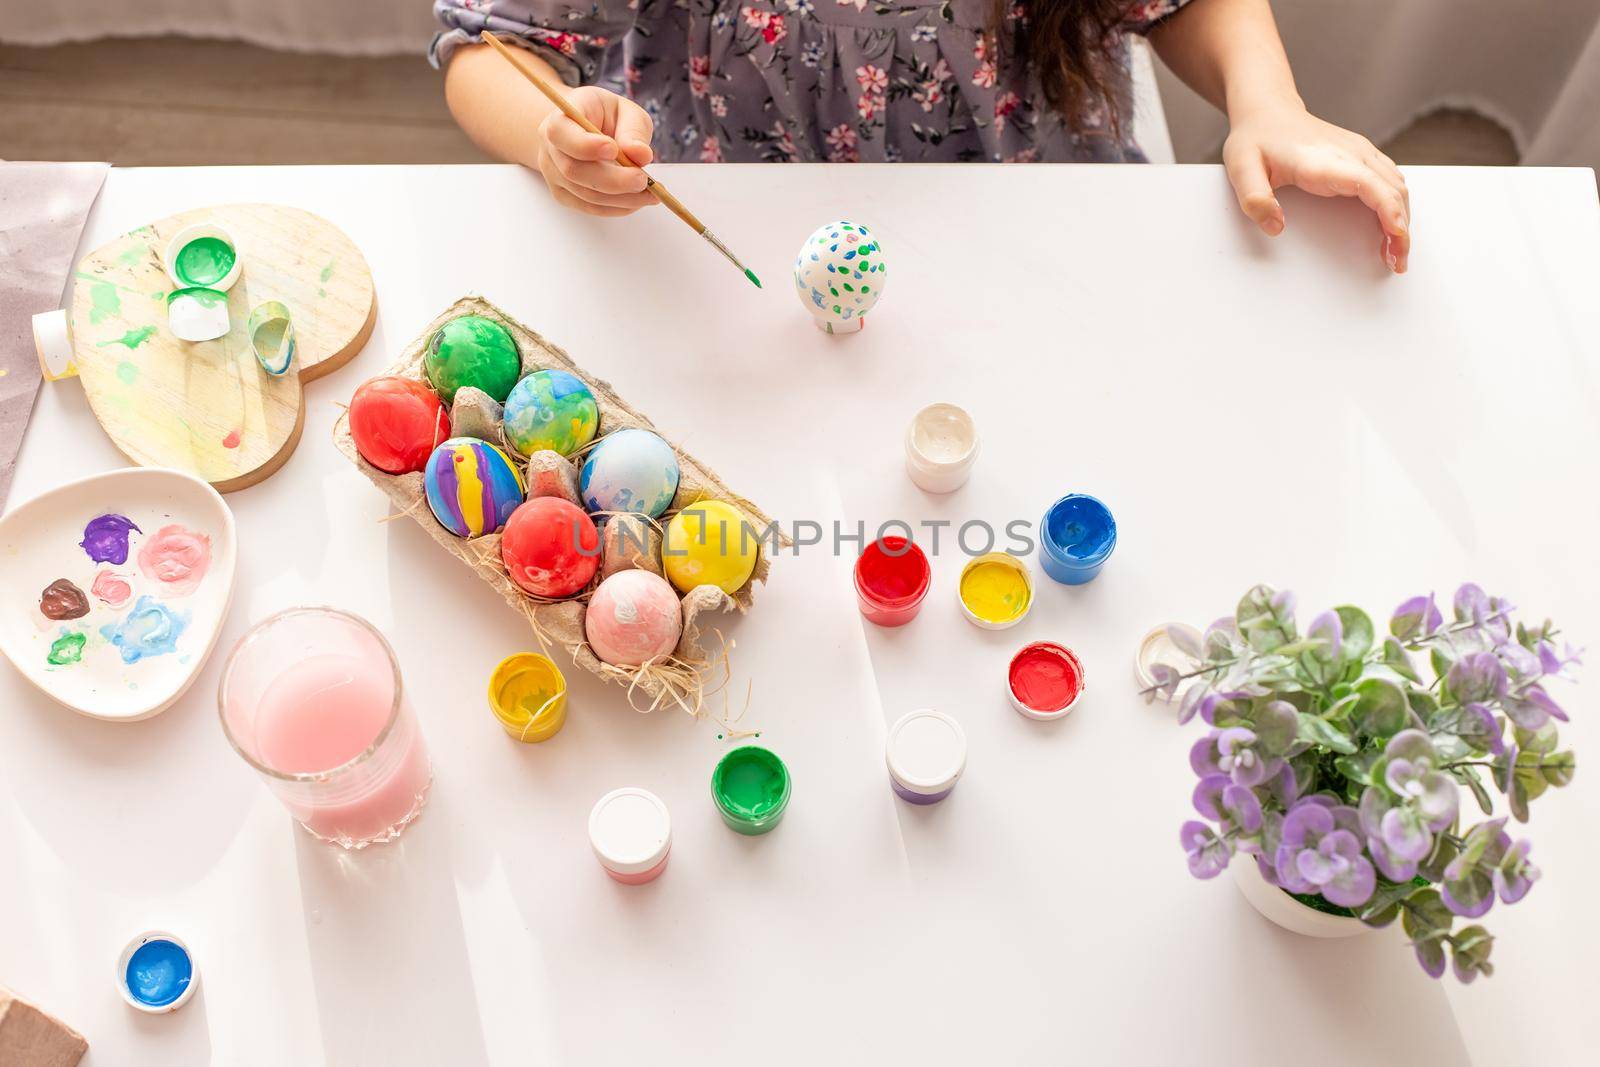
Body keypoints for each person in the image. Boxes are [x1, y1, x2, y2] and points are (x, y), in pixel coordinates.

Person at [434, 0, 1409, 272]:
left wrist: (1267, 103)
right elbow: (487, 46)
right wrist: (550, 136)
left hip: (1019, 197)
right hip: (728, 213)